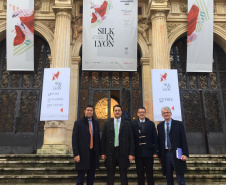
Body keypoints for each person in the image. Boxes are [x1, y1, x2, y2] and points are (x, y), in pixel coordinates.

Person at [101, 105, 135, 185]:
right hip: (110, 152)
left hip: (123, 152)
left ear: (121, 112)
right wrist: (102, 152)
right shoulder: (107, 123)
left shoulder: (127, 123)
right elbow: (103, 139)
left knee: (123, 175)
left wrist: (131, 153)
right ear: (113, 112)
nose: (117, 112)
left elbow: (131, 139)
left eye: (119, 110)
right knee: (110, 175)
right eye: (115, 110)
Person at [157, 106, 189, 185]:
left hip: (177, 152)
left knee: (180, 174)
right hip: (166, 153)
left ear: (171, 113)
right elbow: (159, 142)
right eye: (164, 113)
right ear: (162, 115)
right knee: (168, 175)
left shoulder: (178, 124)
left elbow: (183, 140)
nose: (166, 114)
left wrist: (185, 154)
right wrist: (159, 156)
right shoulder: (159, 126)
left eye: (167, 112)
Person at [72, 105, 100, 185]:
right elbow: (75, 139)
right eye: (88, 110)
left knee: (91, 177)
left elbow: (97, 139)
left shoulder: (96, 123)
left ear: (93, 112)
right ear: (85, 111)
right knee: (80, 177)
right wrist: (76, 154)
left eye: (91, 110)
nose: (89, 112)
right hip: (82, 154)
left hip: (93, 154)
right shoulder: (78, 123)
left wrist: (99, 152)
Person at [131, 106, 158, 185]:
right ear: (137, 114)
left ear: (145, 113)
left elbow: (155, 138)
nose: (142, 113)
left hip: (149, 152)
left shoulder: (151, 124)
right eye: (140, 112)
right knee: (139, 173)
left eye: (143, 112)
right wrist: (132, 153)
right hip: (138, 153)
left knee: (150, 173)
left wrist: (156, 151)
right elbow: (132, 139)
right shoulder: (133, 124)